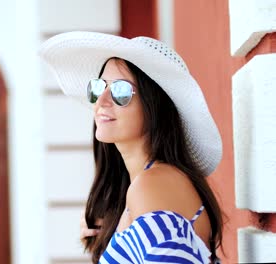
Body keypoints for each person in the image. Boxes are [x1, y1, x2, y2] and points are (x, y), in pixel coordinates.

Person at [39, 32, 223, 263]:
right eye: (98, 87)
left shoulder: (152, 185)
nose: (101, 100)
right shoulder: (147, 185)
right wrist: (111, 236)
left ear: (154, 105)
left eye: (120, 91)